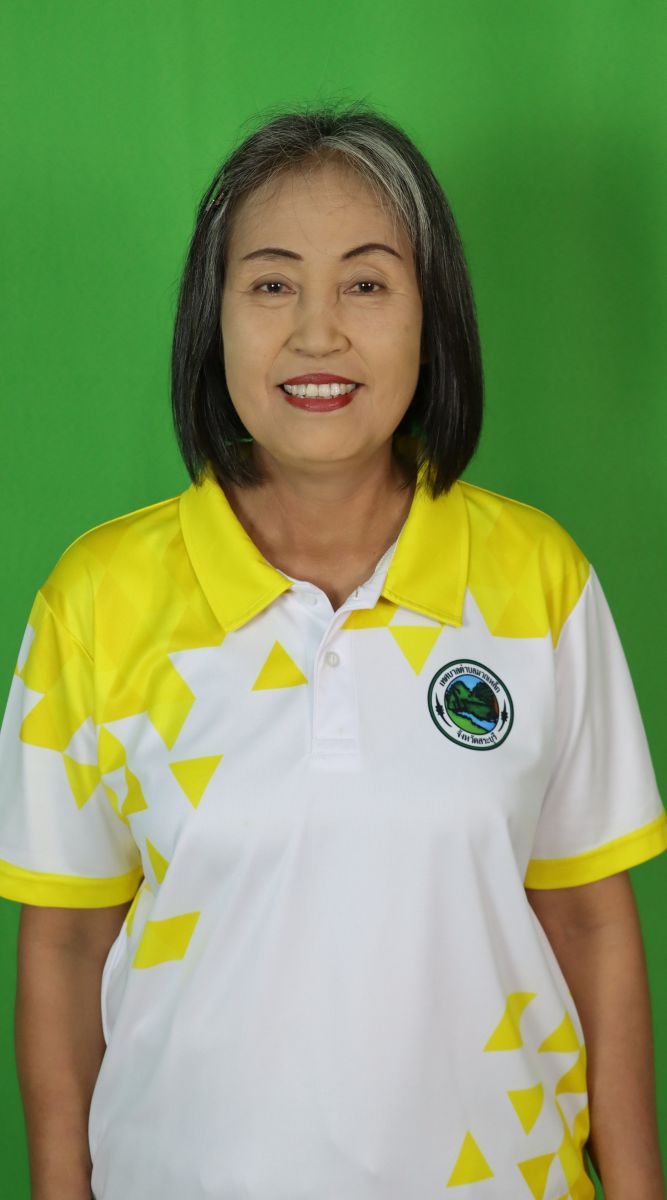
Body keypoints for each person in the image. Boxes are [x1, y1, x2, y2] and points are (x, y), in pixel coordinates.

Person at [0, 101, 665, 1200]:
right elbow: (64, 949)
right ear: (211, 319)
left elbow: (591, 920)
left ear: (431, 316)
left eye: (366, 283)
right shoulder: (96, 602)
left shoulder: (539, 583)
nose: (318, 333)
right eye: (271, 285)